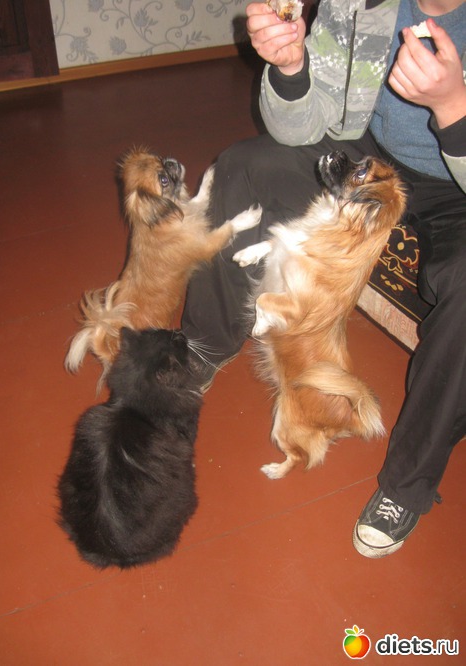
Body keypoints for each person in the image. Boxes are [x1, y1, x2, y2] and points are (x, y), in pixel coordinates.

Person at [181, 0, 466, 558]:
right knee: (243, 164)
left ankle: (406, 484)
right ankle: (203, 345)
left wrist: (454, 107)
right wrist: (291, 69)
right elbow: (301, 126)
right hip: (369, 153)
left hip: (455, 191)